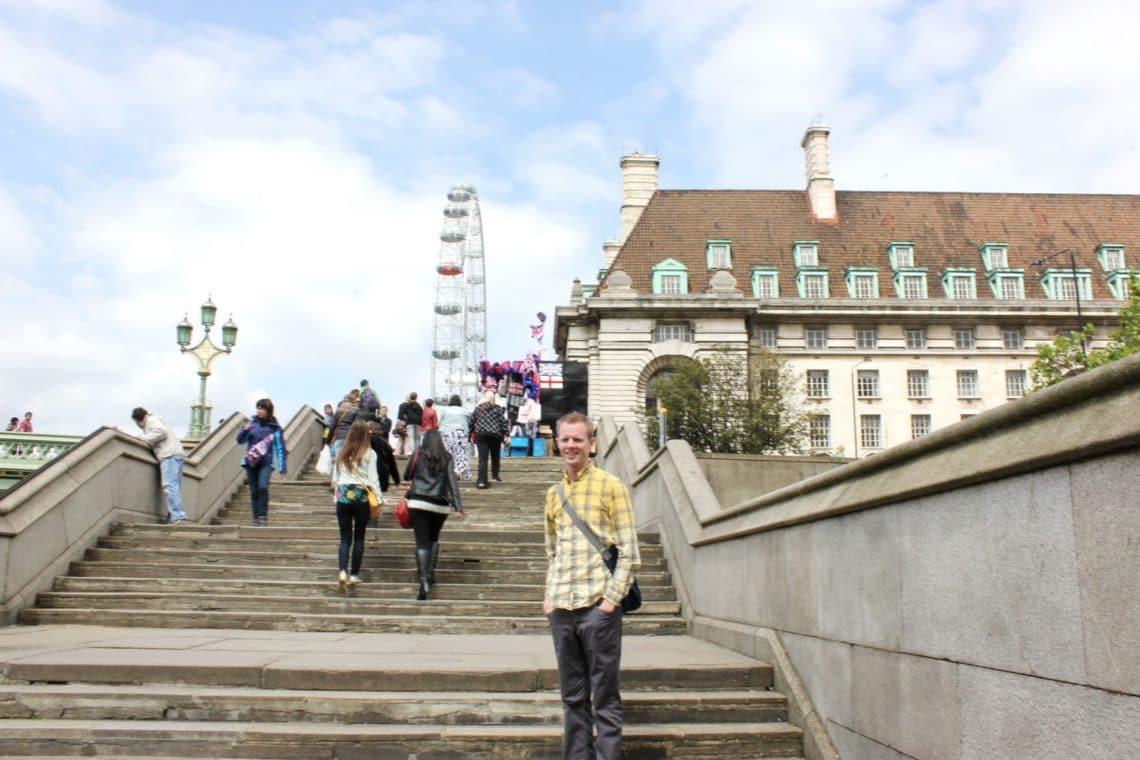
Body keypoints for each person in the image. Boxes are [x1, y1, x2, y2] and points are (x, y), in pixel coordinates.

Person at [543, 412, 640, 759]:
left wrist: (609, 604)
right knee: (572, 699)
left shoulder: (611, 486)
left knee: (605, 698)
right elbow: (552, 551)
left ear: (591, 444)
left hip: (597, 608)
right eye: (565, 439)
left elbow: (629, 552)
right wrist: (549, 598)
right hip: (563, 609)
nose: (570, 445)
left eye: (577, 440)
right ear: (557, 442)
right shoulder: (554, 494)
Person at [403, 429, 464, 600]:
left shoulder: (417, 454)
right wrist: (458, 507)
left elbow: (406, 475)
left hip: (418, 501)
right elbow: (452, 481)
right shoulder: (447, 457)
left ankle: (423, 581)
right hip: (439, 504)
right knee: (434, 539)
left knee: (421, 543)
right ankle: (430, 574)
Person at [331, 420, 381, 593]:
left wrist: (336, 498)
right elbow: (373, 479)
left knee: (345, 538)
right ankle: (353, 574)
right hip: (361, 497)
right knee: (359, 537)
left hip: (343, 495)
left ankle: (342, 571)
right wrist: (379, 499)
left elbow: (335, 478)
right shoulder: (370, 453)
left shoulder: (341, 452)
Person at [130, 407, 187, 525]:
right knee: (174, 486)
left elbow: (161, 432)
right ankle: (174, 514)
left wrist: (144, 438)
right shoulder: (156, 419)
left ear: (138, 420)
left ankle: (177, 515)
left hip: (169, 454)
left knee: (170, 485)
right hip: (176, 454)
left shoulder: (151, 420)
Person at [236, 398, 287, 527]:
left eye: (262, 408)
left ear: (268, 411)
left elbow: (280, 448)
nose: (259, 411)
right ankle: (256, 518)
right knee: (254, 491)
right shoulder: (252, 424)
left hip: (266, 462)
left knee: (263, 487)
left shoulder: (275, 429)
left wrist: (282, 467)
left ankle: (263, 516)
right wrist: (245, 430)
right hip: (251, 462)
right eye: (258, 408)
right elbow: (240, 441)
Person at [471, 392, 508, 489]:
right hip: (495, 434)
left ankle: (481, 482)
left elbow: (472, 421)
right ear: (493, 399)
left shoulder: (479, 408)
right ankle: (495, 476)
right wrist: (506, 434)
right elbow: (503, 423)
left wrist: (469, 433)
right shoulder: (498, 408)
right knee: (495, 456)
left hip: (481, 434)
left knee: (482, 459)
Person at [437, 394, 472, 481]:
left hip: (446, 432)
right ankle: (460, 472)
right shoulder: (465, 411)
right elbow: (470, 423)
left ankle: (447, 472)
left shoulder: (445, 410)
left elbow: (439, 423)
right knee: (461, 453)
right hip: (460, 432)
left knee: (448, 453)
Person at [368, 414, 400, 492]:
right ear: (381, 431)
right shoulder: (386, 444)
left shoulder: (366, 441)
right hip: (383, 474)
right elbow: (392, 464)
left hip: (368, 474)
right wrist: (397, 480)